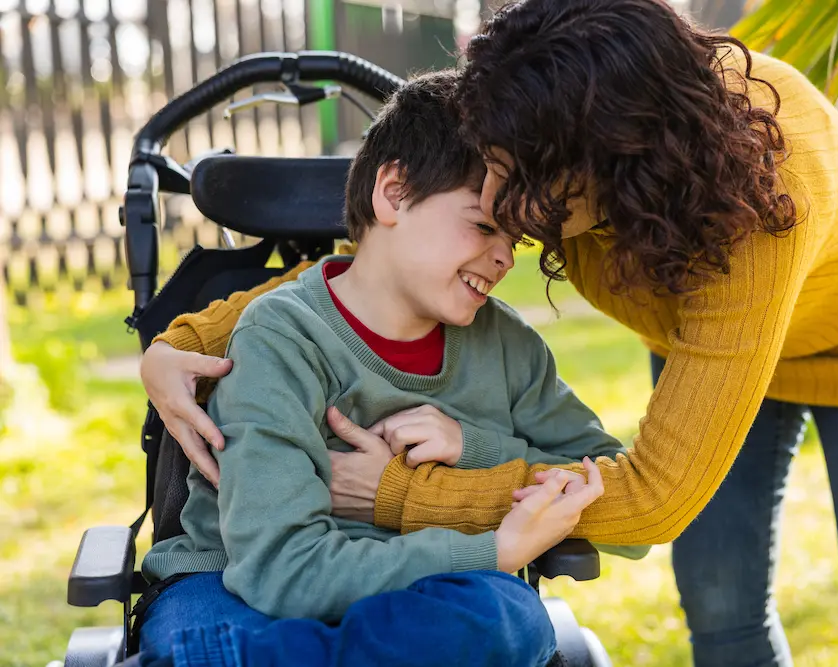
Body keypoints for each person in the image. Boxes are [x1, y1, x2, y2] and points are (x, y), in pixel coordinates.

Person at [141, 1, 838, 665]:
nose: (507, 219)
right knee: (724, 610)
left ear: (608, 163)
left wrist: (414, 491)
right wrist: (180, 339)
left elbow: (649, 500)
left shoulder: (750, 215)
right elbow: (358, 275)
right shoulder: (560, 169)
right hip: (718, 344)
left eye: (516, 181)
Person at [133, 70, 627, 667]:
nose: (502, 258)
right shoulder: (282, 337)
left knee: (507, 620)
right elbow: (281, 570)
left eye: (516, 240)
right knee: (206, 646)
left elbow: (623, 502)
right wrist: (490, 553)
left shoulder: (509, 348)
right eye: (483, 224)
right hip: (238, 583)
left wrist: (474, 448)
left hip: (425, 591)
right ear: (393, 192)